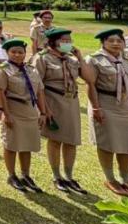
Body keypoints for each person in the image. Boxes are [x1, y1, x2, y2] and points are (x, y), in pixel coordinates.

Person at [85, 27, 128, 197]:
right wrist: (96, 108)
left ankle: (125, 180)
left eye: (119, 41)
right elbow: (90, 85)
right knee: (107, 143)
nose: (115, 43)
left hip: (127, 106)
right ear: (103, 42)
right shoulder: (94, 59)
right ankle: (110, 179)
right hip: (105, 104)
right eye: (111, 40)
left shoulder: (127, 60)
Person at [32, 27, 87, 193]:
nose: (68, 43)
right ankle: (57, 176)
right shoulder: (42, 58)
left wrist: (80, 57)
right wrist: (44, 109)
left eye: (69, 40)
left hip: (71, 101)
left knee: (71, 140)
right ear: (54, 41)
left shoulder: (71, 58)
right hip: (53, 101)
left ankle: (69, 176)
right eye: (64, 40)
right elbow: (36, 85)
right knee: (55, 140)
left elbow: (88, 78)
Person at [0, 39, 48, 193]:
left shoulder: (32, 69)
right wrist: (6, 114)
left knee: (27, 145)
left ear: (25, 53)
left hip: (30, 111)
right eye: (13, 52)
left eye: (20, 52)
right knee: (11, 144)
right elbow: (0, 92)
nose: (17, 55)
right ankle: (12, 175)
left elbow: (40, 92)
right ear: (7, 53)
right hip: (13, 109)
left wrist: (43, 112)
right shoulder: (3, 70)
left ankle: (26, 175)